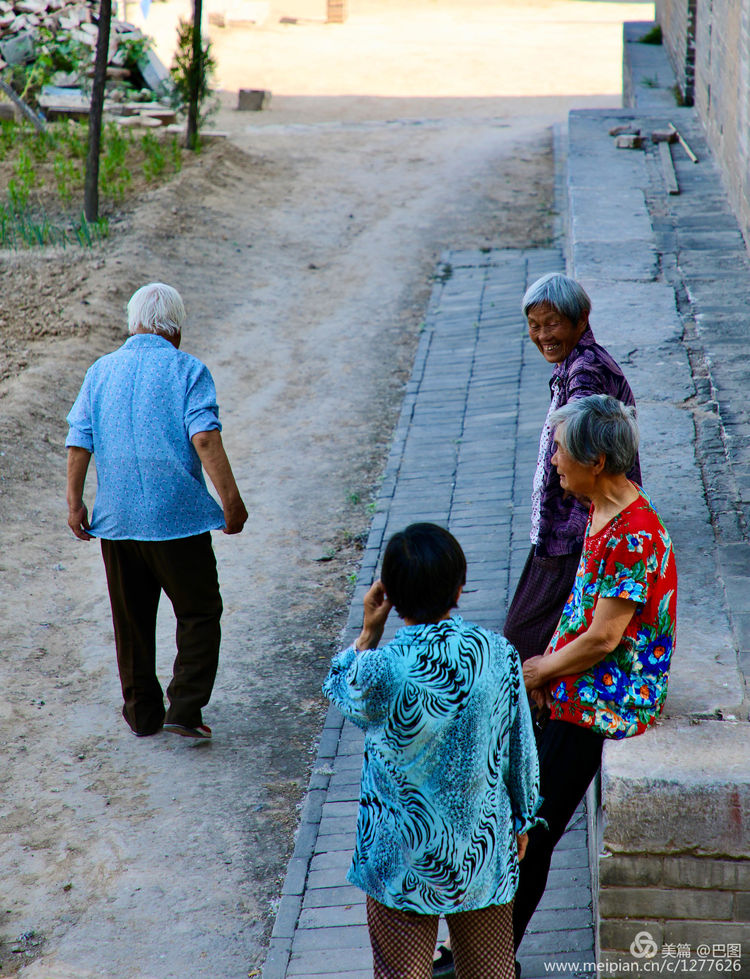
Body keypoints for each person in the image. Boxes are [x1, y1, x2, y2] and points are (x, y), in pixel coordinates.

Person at [323, 523, 543, 979]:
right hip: (478, 849)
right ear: (460, 586)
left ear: (391, 595)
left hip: (398, 855)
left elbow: (338, 683)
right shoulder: (498, 655)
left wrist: (367, 632)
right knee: (490, 972)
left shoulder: (380, 669)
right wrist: (522, 819)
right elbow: (519, 747)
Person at [514, 395, 677, 959]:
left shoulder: (633, 533)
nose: (554, 461)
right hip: (583, 678)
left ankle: (488, 958)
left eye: (560, 451)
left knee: (530, 832)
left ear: (596, 462)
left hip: (608, 696)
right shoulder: (600, 511)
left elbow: (606, 637)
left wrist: (541, 669)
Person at [65, 282, 248, 740]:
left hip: (118, 521)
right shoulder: (188, 370)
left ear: (133, 324)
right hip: (178, 520)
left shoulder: (100, 371)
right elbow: (204, 438)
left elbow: (79, 440)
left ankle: (143, 713)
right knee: (199, 611)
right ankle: (184, 706)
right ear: (176, 330)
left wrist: (74, 504)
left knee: (131, 620)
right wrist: (231, 501)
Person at [503, 273, 641, 666]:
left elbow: (582, 441)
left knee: (522, 636)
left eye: (552, 323)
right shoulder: (575, 362)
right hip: (574, 522)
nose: (543, 334)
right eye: (534, 325)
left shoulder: (585, 374)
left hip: (573, 525)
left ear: (581, 319)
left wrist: (574, 529)